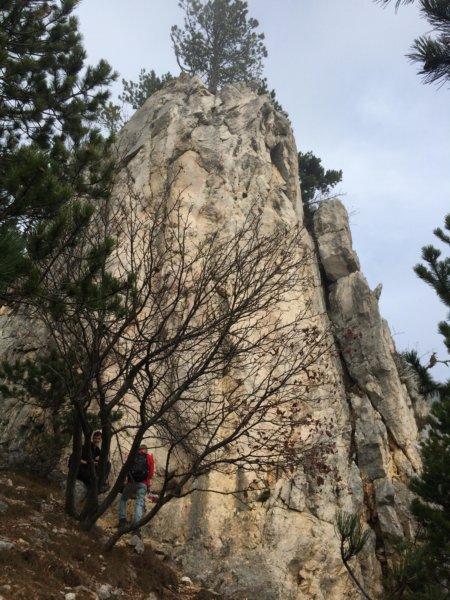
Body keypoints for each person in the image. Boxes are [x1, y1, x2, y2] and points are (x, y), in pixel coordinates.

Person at [118, 443, 155, 532]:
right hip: (143, 484)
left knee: (123, 499)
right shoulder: (149, 457)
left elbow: (126, 468)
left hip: (131, 483)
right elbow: (151, 473)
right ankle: (136, 527)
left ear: (139, 449)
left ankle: (122, 520)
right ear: (146, 450)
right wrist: (147, 480)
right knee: (139, 504)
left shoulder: (132, 455)